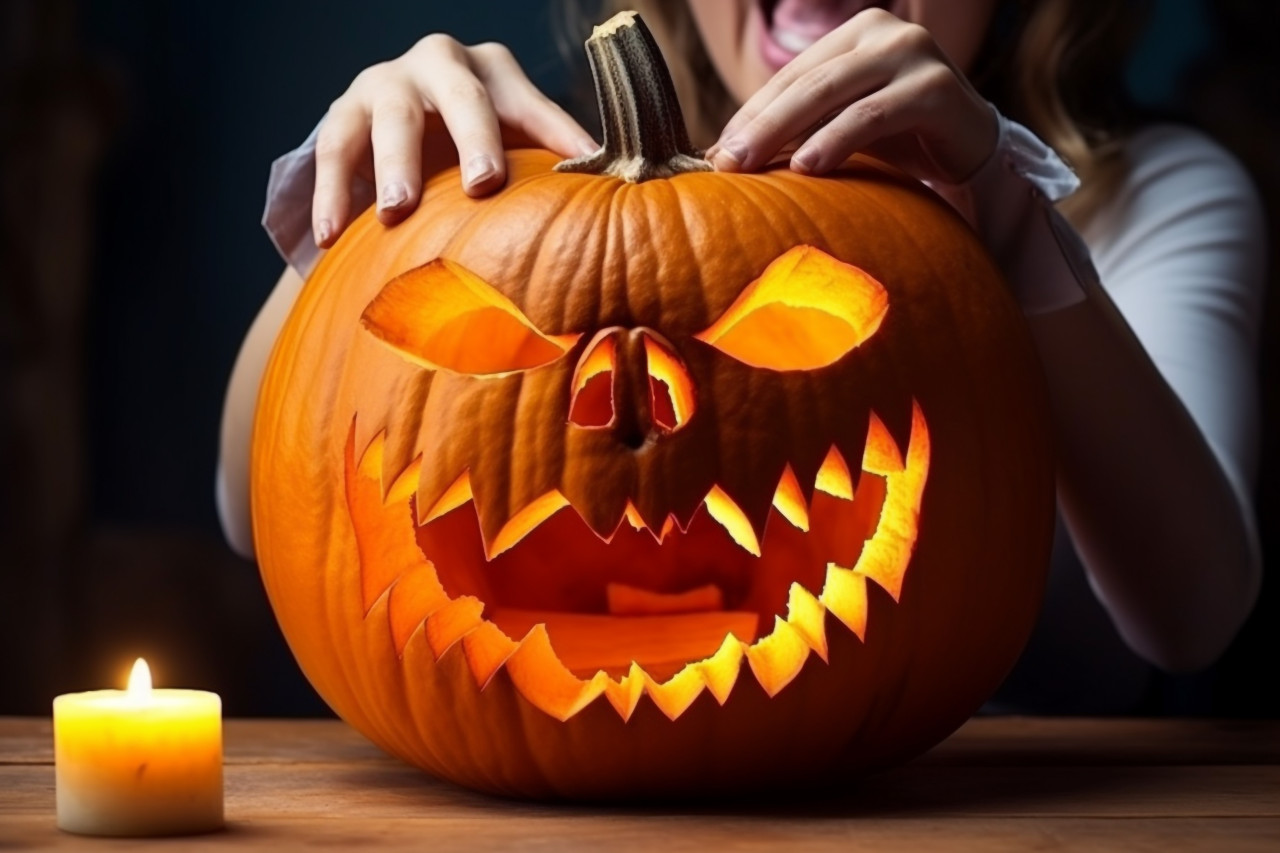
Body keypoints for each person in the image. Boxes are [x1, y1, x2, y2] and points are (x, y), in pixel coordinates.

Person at [217, 0, 1265, 712]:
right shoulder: (525, 174)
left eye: (782, 334)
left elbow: (1191, 616)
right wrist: (362, 218)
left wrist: (994, 192)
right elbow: (254, 509)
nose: (633, 415)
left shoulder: (1151, 197)